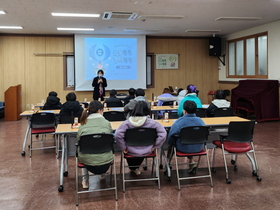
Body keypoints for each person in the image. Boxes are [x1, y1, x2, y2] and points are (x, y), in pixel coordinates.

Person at [115, 101, 167, 175]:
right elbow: (163, 134)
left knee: (132, 158)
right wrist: (156, 146)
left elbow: (117, 135)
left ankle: (134, 168)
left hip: (130, 150)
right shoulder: (154, 123)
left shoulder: (126, 123)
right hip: (148, 150)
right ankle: (134, 168)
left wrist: (123, 147)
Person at [77, 101, 113, 188]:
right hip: (105, 161)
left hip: (87, 162)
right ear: (100, 110)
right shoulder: (106, 123)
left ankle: (85, 181)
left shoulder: (82, 124)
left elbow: (78, 140)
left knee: (84, 149)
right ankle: (102, 174)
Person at [168, 100, 205, 173]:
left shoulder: (179, 122)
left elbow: (171, 135)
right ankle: (191, 161)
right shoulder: (201, 121)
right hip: (199, 148)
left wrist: (170, 143)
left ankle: (168, 163)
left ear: (184, 111)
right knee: (191, 138)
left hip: (183, 148)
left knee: (172, 143)